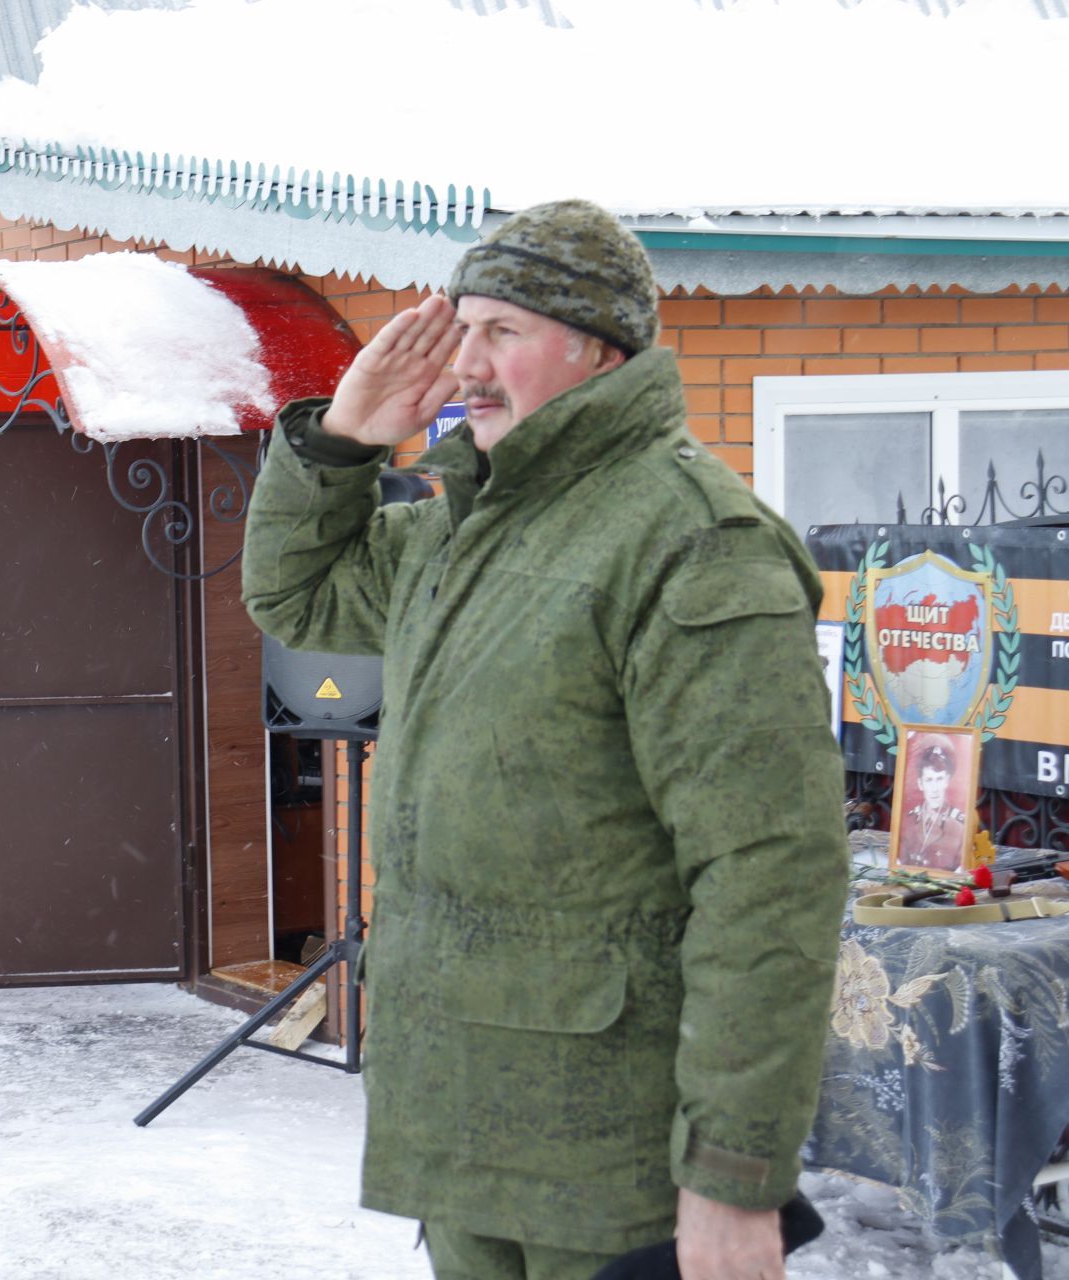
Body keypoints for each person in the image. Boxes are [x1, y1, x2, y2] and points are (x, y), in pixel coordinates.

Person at [241, 199, 849, 1280]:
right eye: (459, 327)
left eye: (502, 332)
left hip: (609, 1167)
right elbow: (296, 592)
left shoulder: (694, 543)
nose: (464, 364)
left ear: (598, 349)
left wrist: (730, 1173)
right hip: (463, 1125)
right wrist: (340, 440)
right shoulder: (457, 527)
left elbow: (768, 880)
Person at [898, 740, 966, 871]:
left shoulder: (959, 826)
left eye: (939, 779)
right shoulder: (908, 821)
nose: (934, 789)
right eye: (928, 780)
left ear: (947, 780)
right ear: (920, 783)